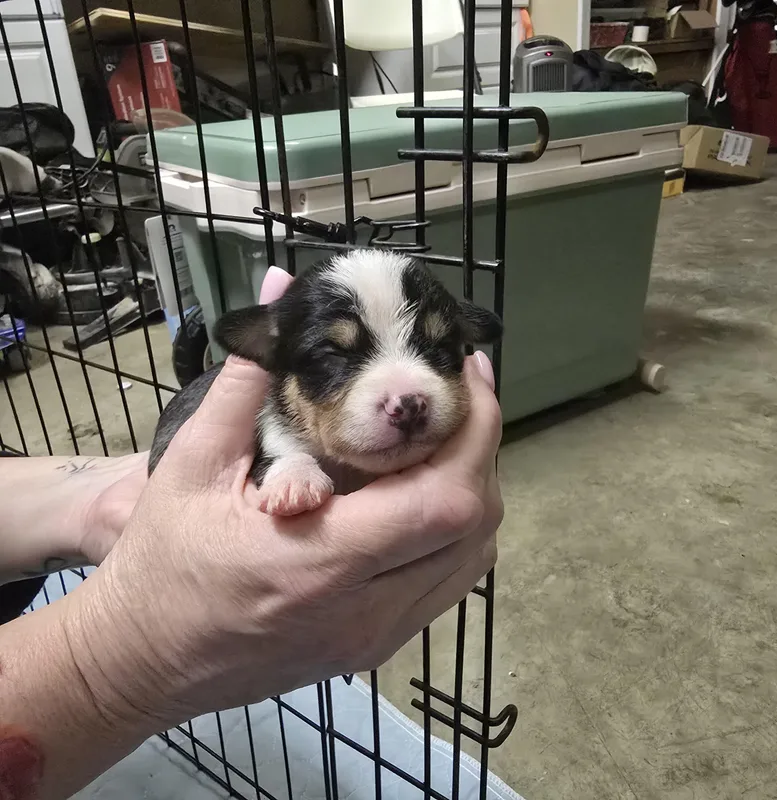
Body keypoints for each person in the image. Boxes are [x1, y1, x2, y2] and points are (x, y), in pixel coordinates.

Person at [0, 267, 503, 800]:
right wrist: (127, 653)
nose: (405, 398)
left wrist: (98, 505)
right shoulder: (281, 411)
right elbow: (276, 440)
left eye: (438, 350)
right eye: (335, 356)